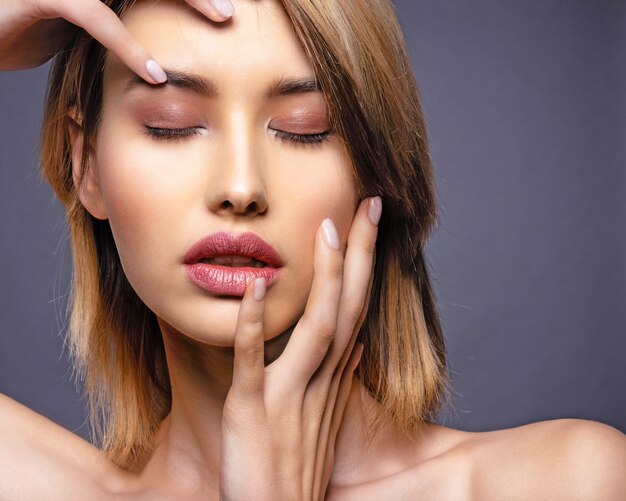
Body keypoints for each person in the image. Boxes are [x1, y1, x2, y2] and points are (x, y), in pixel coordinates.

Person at [1, 0, 624, 499]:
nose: (241, 187)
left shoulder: (569, 482)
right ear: (84, 162)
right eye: (171, 122)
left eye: (305, 128)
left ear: (376, 172)